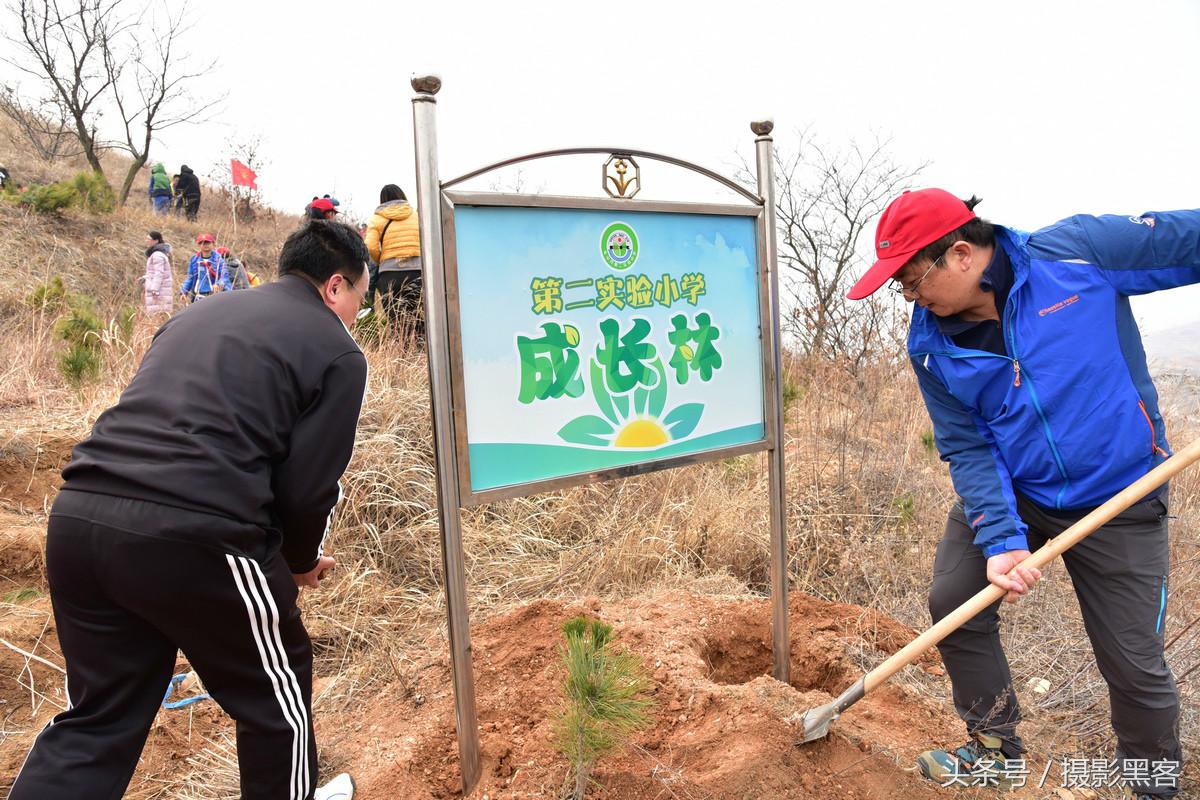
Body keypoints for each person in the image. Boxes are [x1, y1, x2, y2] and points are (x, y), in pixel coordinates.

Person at [847, 189, 1200, 799]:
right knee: (955, 601)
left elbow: (1184, 239)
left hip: (1122, 492)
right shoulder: (931, 344)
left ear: (960, 254)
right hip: (1018, 489)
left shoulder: (1079, 253)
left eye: (908, 281)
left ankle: (1152, 785)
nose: (908, 298)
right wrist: (1002, 538)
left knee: (1134, 665)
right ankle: (994, 750)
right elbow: (968, 446)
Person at [8, 220, 371, 800]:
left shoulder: (197, 314)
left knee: (99, 716)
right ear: (335, 287)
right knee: (279, 705)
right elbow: (307, 488)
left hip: (80, 516)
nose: (358, 315)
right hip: (196, 532)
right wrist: (299, 561)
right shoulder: (337, 352)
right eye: (360, 298)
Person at [364, 184, 421, 331]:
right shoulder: (416, 216)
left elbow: (370, 246)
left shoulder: (377, 219)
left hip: (390, 274)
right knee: (418, 319)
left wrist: (381, 261)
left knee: (396, 321)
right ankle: (420, 351)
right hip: (418, 272)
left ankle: (401, 350)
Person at [181, 233, 231, 301]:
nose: (205, 245)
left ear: (213, 244)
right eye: (202, 243)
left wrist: (218, 284)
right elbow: (190, 278)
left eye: (207, 242)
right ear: (199, 245)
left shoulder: (219, 260)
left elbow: (224, 277)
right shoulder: (195, 260)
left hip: (214, 296)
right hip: (197, 296)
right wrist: (184, 291)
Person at [141, 231, 173, 314]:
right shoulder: (157, 253)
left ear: (156, 241)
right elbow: (153, 272)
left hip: (159, 291)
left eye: (149, 239)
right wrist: (145, 278)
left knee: (157, 314)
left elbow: (159, 273)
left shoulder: (157, 255)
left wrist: (155, 290)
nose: (146, 241)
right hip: (159, 288)